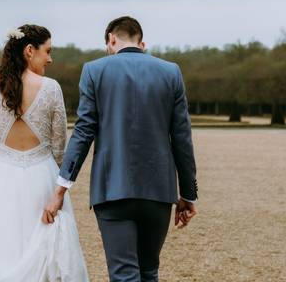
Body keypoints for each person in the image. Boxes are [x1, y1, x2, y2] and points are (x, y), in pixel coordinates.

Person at [43, 16, 198, 282]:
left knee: (123, 274)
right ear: (141, 41)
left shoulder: (94, 70)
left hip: (112, 189)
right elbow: (182, 137)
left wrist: (61, 187)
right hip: (159, 191)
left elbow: (84, 131)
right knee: (149, 271)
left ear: (112, 39)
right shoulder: (171, 71)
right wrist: (188, 194)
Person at [0, 24, 89, 282]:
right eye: (47, 51)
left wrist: (3, 156)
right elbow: (60, 146)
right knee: (48, 254)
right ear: (29, 50)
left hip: (2, 180)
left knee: (4, 251)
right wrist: (49, 169)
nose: (50, 58)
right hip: (43, 178)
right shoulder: (51, 88)